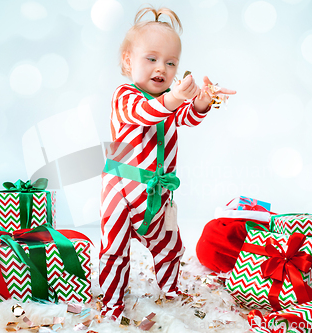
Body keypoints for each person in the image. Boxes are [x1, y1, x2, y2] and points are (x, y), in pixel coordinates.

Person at [98, 6, 236, 319]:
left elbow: (187, 116)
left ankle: (171, 292)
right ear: (128, 60)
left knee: (169, 246)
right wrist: (174, 98)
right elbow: (145, 113)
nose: (162, 68)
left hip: (157, 195)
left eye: (171, 62)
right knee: (114, 250)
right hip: (121, 189)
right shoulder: (125, 96)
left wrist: (202, 100)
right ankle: (112, 304)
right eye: (152, 58)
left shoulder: (168, 103)